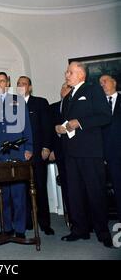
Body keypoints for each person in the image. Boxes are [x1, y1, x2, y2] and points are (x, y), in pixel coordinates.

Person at [57, 61, 112, 247]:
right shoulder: (68, 95)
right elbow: (67, 121)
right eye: (67, 71)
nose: (66, 74)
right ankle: (79, 229)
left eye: (70, 72)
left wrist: (79, 122)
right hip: (70, 153)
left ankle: (103, 232)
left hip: (90, 152)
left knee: (95, 192)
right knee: (75, 193)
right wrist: (60, 128)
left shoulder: (93, 89)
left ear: (81, 74)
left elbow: (105, 116)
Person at [0, 72, 33, 238]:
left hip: (17, 152)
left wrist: (29, 147)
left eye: (2, 81)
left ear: (8, 83)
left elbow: (27, 127)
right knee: (2, 194)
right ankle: (7, 227)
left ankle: (19, 229)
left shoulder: (18, 101)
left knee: (18, 193)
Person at [17, 76, 54, 235]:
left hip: (38, 153)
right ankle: (27, 222)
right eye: (18, 84)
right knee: (22, 190)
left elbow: (47, 127)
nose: (20, 86)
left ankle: (44, 223)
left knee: (40, 188)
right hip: (20, 155)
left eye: (23, 84)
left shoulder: (40, 102)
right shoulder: (12, 105)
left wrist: (47, 147)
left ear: (30, 87)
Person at [49, 82, 72, 225]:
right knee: (67, 186)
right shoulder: (52, 108)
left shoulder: (79, 106)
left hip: (77, 152)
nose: (64, 89)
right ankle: (71, 218)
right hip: (60, 153)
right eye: (63, 87)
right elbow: (48, 130)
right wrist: (51, 149)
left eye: (68, 87)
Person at [99, 74, 121, 225]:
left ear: (114, 82)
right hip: (108, 155)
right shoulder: (99, 106)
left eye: (105, 81)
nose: (103, 84)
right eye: (100, 83)